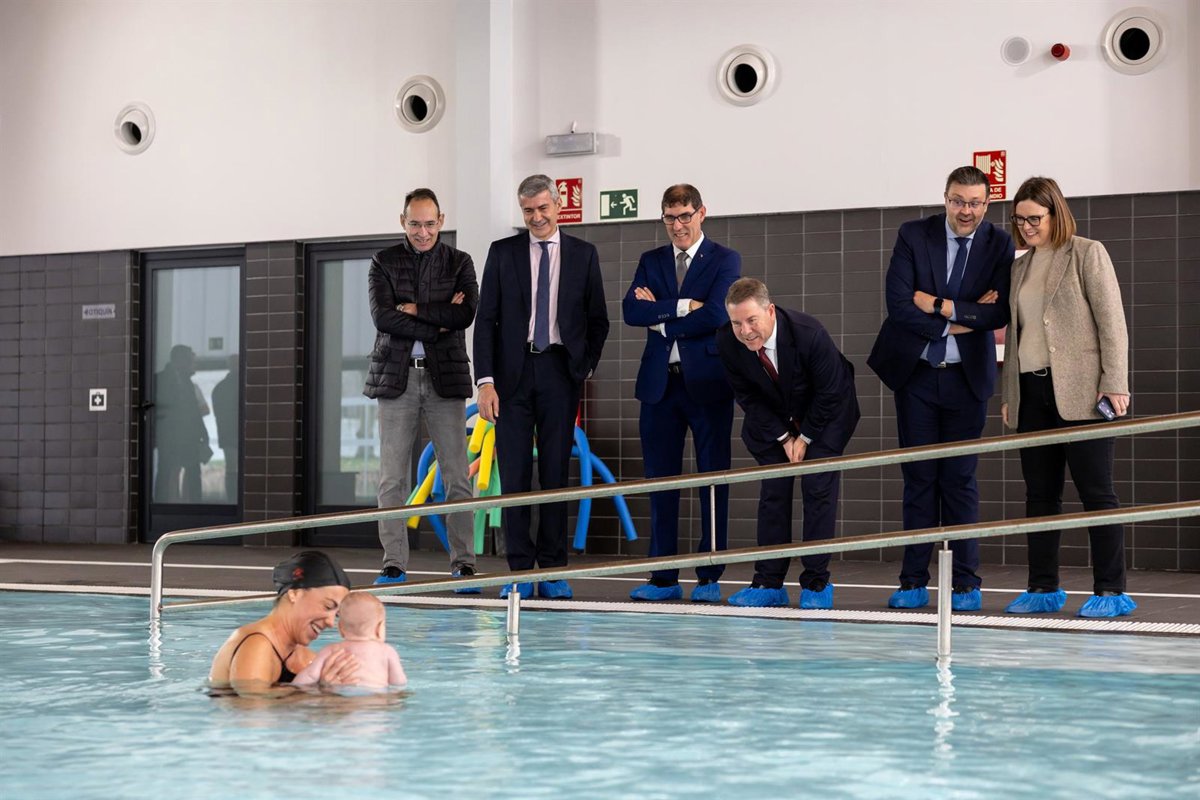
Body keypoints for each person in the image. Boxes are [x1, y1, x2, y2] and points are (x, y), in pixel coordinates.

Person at [868, 166, 1014, 611]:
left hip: (967, 381)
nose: (965, 211)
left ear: (987, 204)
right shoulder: (914, 234)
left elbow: (999, 313)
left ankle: (966, 584)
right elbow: (898, 305)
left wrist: (936, 305)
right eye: (957, 201)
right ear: (945, 198)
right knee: (918, 479)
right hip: (916, 377)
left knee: (960, 481)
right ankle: (913, 582)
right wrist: (963, 317)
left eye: (974, 203)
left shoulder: (999, 243)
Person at [1000, 176, 1135, 618]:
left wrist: (1115, 382)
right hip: (1031, 391)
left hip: (1083, 390)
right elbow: (1017, 336)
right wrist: (1011, 393)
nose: (1026, 227)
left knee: (1097, 493)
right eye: (1019, 220)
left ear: (1055, 213)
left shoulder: (1087, 253)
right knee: (1040, 496)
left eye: (1034, 218)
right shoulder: (1019, 267)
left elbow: (1112, 323)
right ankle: (1042, 587)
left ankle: (1111, 590)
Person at [474, 174, 609, 600]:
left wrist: (584, 366)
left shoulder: (584, 254)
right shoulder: (503, 253)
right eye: (528, 210)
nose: (536, 217)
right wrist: (485, 382)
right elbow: (486, 321)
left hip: (559, 373)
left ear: (558, 205)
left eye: (542, 208)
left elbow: (598, 319)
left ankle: (552, 570)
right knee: (514, 476)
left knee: (555, 472)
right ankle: (518, 571)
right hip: (510, 378)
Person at [622, 184, 740, 603]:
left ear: (701, 213)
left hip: (708, 384)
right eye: (670, 218)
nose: (678, 225)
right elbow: (630, 311)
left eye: (685, 216)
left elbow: (717, 314)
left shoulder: (725, 259)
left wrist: (660, 317)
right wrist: (682, 306)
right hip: (659, 386)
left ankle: (709, 576)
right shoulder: (651, 260)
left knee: (712, 481)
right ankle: (663, 577)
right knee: (661, 483)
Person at [717, 278, 860, 608]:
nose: (745, 331)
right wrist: (784, 437)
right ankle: (769, 583)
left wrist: (805, 437)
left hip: (827, 413)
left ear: (770, 311)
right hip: (774, 418)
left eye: (751, 320)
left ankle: (816, 583)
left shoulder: (808, 333)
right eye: (737, 323)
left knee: (817, 488)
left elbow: (830, 392)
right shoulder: (726, 340)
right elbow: (748, 396)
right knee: (774, 490)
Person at [364, 188, 480, 592]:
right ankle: (393, 564)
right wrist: (438, 321)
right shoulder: (383, 261)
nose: (423, 232)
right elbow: (383, 318)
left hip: (444, 378)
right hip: (396, 378)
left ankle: (464, 564)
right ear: (403, 222)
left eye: (430, 224)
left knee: (457, 475)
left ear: (441, 220)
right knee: (391, 478)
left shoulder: (459, 262)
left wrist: (414, 310)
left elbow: (466, 313)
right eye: (415, 224)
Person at [208, 551, 358, 697]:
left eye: (336, 614)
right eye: (327, 606)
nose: (331, 622)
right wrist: (318, 693)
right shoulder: (256, 645)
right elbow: (249, 708)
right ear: (294, 593)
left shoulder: (306, 658)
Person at [292, 592, 407, 691]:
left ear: (340, 628)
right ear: (379, 628)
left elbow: (309, 675)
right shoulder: (387, 651)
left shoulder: (331, 650)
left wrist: (293, 690)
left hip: (343, 699)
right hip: (376, 699)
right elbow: (399, 682)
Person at [154, 343, 211, 502]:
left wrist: (203, 435)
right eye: (191, 361)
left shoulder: (186, 383)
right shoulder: (161, 381)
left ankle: (185, 504)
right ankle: (169, 504)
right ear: (181, 360)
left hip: (184, 438)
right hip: (172, 438)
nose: (194, 365)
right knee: (171, 472)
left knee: (182, 472)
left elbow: (193, 412)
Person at [211, 354, 238, 503]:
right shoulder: (245, 385)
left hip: (227, 434)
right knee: (237, 469)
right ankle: (236, 500)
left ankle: (232, 500)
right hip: (236, 434)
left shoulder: (220, 388)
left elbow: (218, 414)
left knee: (232, 469)